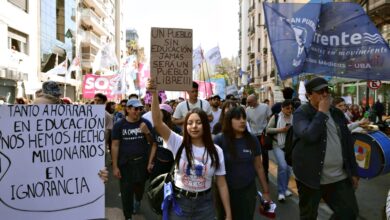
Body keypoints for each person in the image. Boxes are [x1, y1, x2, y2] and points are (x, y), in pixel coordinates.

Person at [147, 79, 232, 220]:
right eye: (190, 123)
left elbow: (221, 184)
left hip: (206, 206)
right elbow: (157, 122)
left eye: (199, 122)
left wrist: (228, 213)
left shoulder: (217, 150)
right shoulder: (177, 142)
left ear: (205, 125)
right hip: (180, 204)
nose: (194, 126)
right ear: (185, 126)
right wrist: (154, 94)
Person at [293, 77, 359, 219]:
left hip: (338, 177)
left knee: (349, 213)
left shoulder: (337, 113)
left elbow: (347, 143)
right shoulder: (301, 113)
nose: (325, 94)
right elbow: (309, 136)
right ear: (309, 95)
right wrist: (321, 112)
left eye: (326, 90)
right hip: (311, 179)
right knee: (308, 216)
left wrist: (354, 171)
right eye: (320, 91)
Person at [214, 106, 271, 219]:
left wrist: (266, 191)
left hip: (247, 191)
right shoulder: (219, 140)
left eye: (244, 118)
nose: (242, 121)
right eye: (238, 118)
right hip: (226, 191)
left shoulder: (252, 139)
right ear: (229, 121)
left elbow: (259, 166)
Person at [111, 99, 157, 220]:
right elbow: (115, 145)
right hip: (125, 164)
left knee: (139, 187)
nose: (138, 111)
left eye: (140, 109)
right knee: (126, 192)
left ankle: (138, 200)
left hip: (141, 163)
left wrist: (147, 132)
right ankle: (128, 216)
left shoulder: (146, 122)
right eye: (135, 109)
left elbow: (152, 143)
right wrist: (115, 166)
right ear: (128, 109)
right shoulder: (119, 125)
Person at [266, 100, 294, 202]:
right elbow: (268, 129)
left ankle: (285, 188)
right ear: (282, 108)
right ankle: (281, 192)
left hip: (290, 146)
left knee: (289, 169)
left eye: (291, 108)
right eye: (287, 108)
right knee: (283, 166)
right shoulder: (276, 117)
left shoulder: (294, 118)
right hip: (277, 144)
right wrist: (281, 130)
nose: (289, 110)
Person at [147, 103, 181, 180]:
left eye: (159, 112)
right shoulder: (155, 128)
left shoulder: (176, 130)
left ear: (166, 114)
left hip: (172, 164)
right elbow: (154, 146)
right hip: (158, 163)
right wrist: (150, 162)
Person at [246, 94, 272, 181]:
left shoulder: (265, 107)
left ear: (255, 100)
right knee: (254, 155)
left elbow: (270, 119)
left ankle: (266, 174)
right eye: (247, 102)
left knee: (265, 154)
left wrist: (267, 130)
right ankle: (256, 172)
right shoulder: (247, 110)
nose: (248, 104)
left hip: (263, 135)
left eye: (249, 102)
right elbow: (247, 122)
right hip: (253, 135)